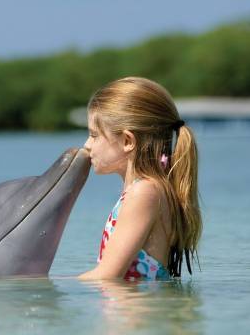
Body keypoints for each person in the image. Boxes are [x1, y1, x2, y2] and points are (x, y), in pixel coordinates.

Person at [78, 77, 202, 280]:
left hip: (140, 311)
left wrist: (42, 287)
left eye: (94, 135)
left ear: (127, 140)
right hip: (141, 310)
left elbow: (106, 276)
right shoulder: (148, 189)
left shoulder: (144, 192)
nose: (87, 145)